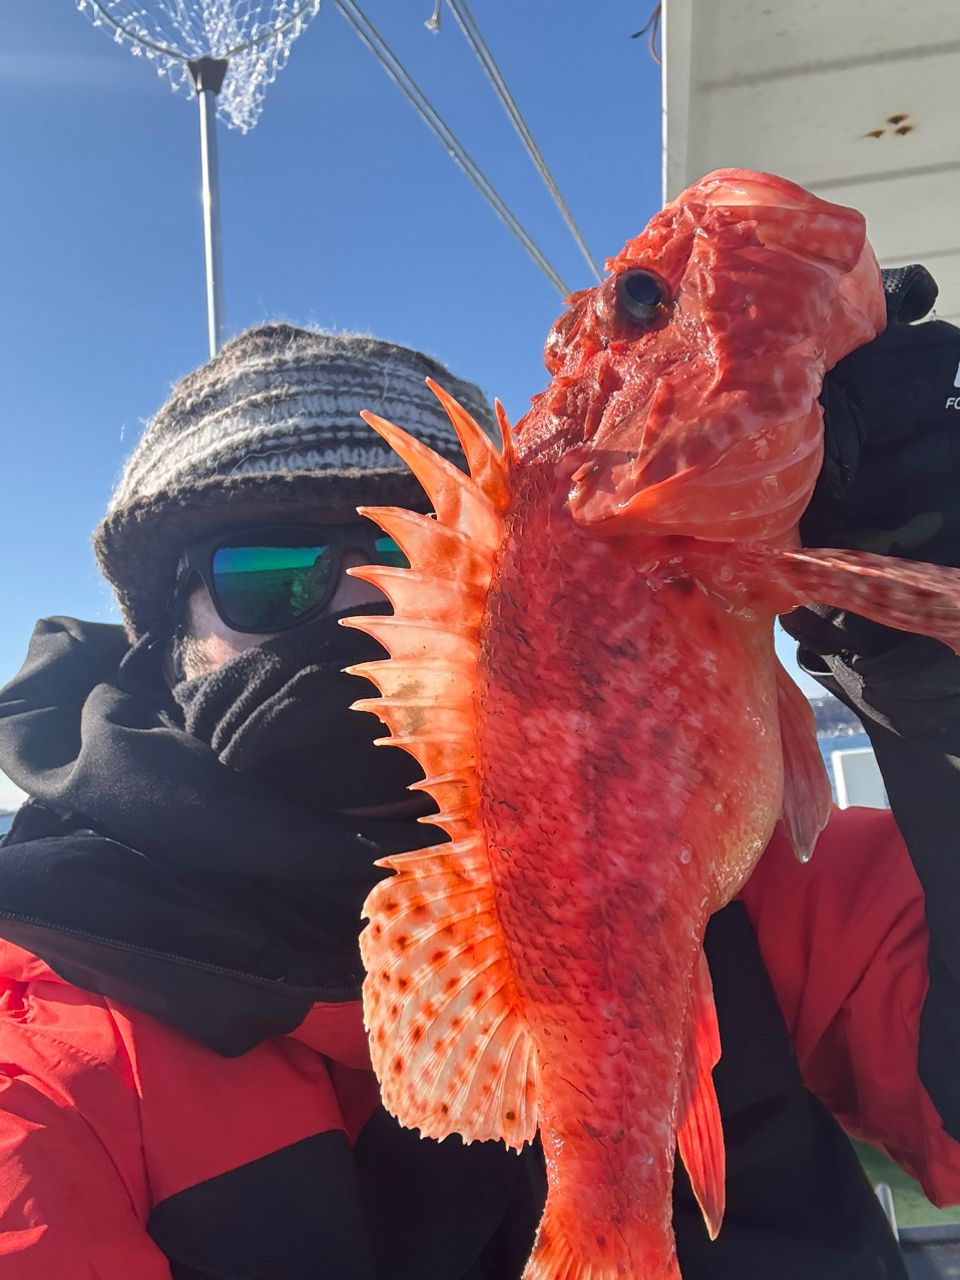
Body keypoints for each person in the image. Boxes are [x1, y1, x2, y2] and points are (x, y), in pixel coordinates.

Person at [0, 279, 956, 1279]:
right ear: (168, 643)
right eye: (272, 577)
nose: (368, 613)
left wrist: (932, 685)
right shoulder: (47, 1036)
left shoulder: (712, 852)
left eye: (422, 557)